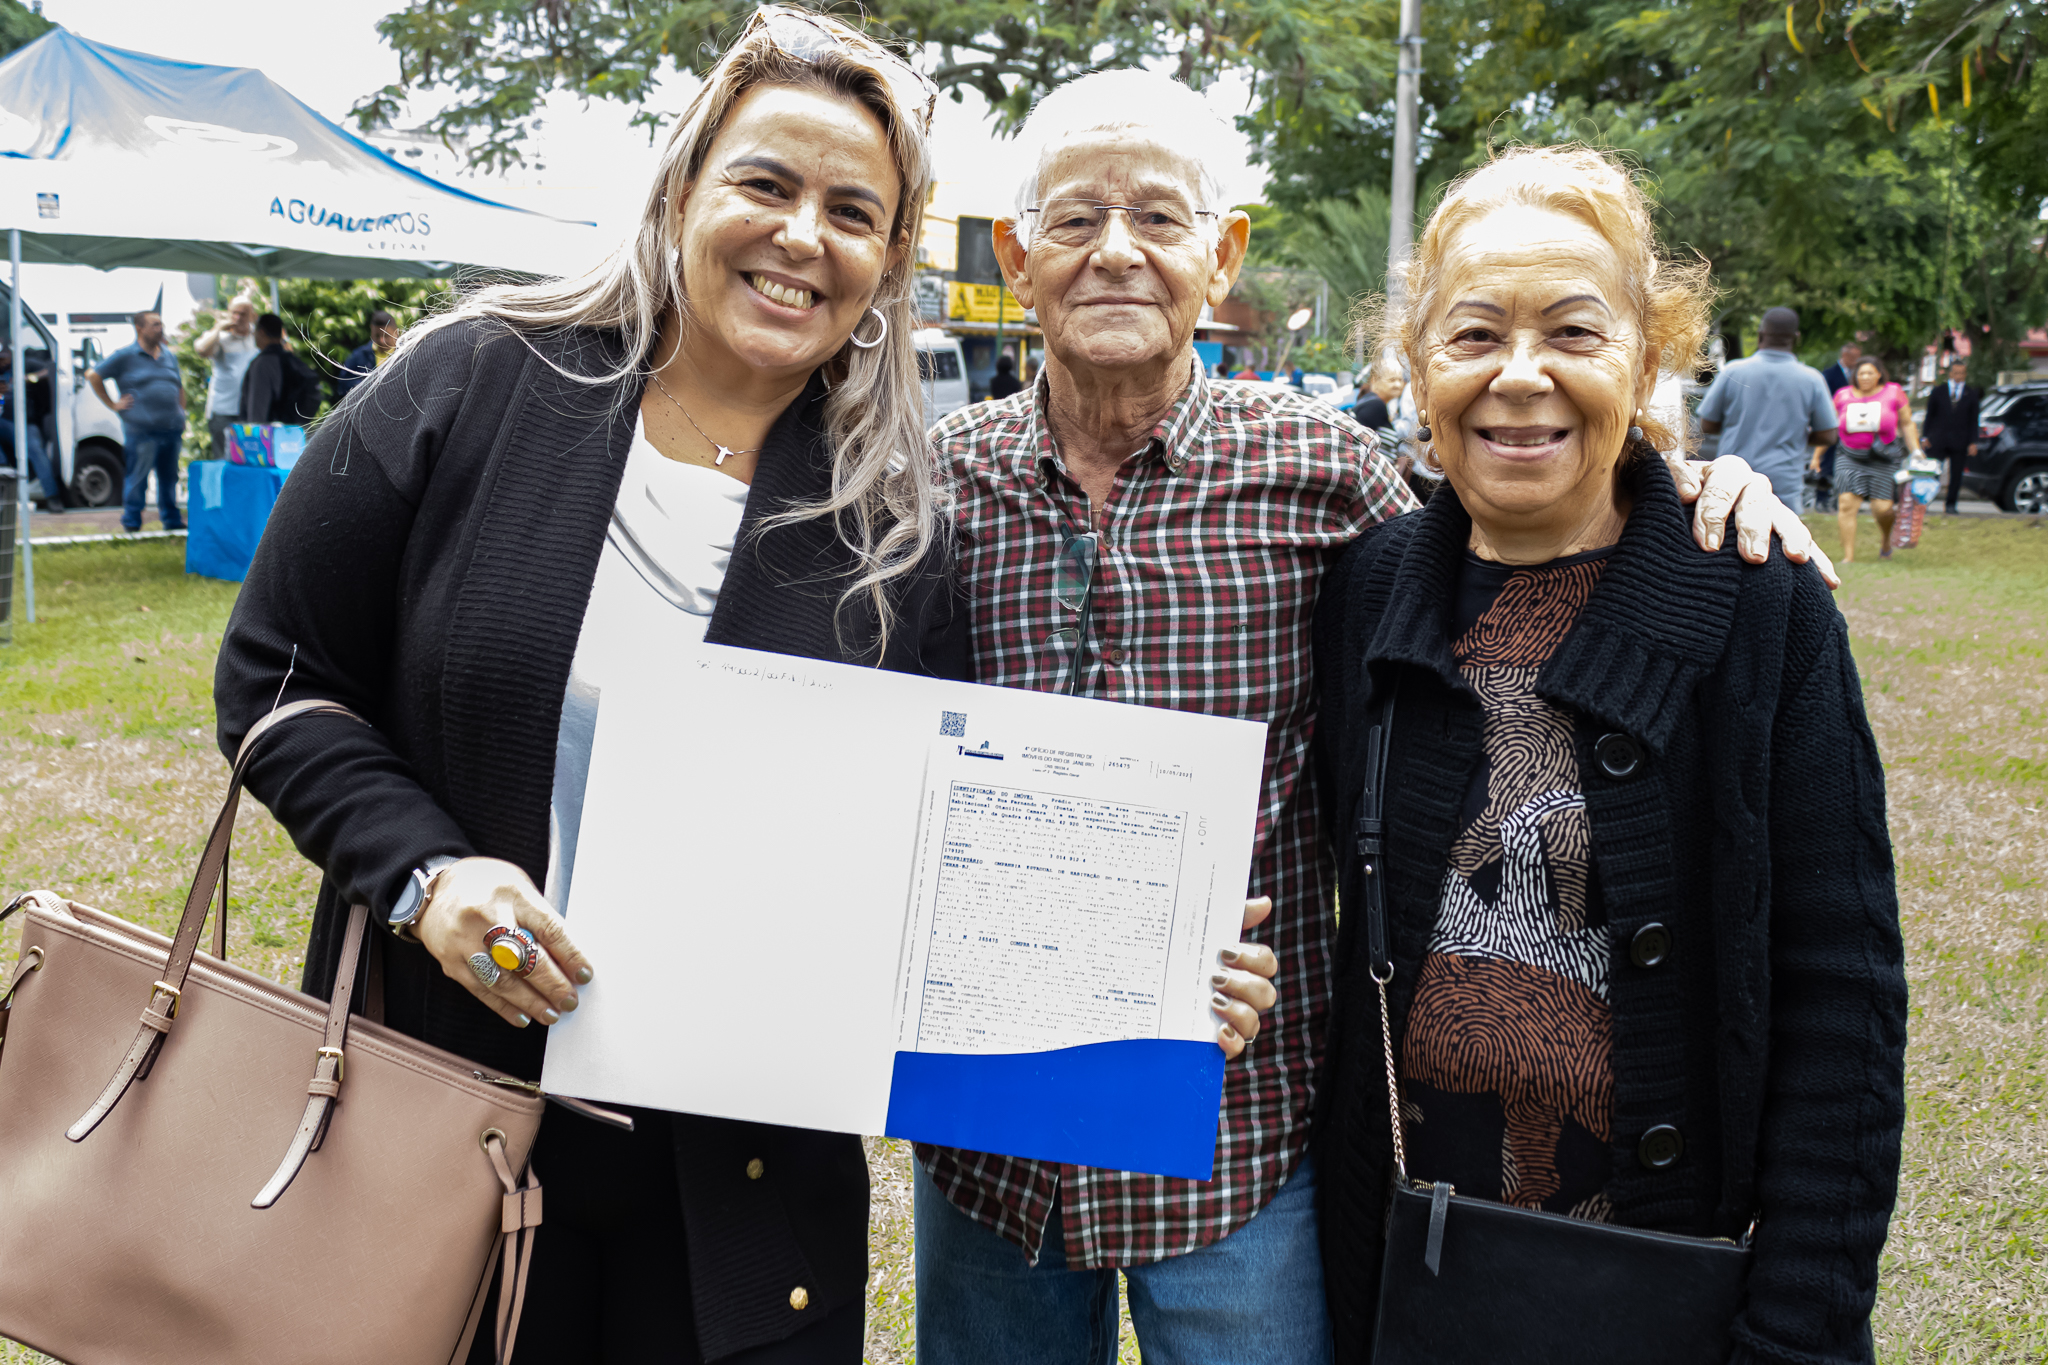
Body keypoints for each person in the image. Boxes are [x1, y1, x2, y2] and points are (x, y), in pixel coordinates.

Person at [212, 16, 1275, 1361]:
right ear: (681, 191)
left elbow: (937, 864)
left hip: (737, 1200)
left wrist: (1149, 984)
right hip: (442, 1118)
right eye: (765, 185)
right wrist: (427, 877)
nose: (801, 237)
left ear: (889, 259)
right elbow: (278, 680)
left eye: (853, 212)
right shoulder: (472, 381)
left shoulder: (897, 521)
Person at [917, 69, 1827, 1365]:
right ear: (1017, 258)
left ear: (1222, 254)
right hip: (992, 1142)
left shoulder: (1328, 477)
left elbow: (1525, 524)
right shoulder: (929, 487)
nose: (1116, 250)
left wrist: (1687, 492)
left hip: (1242, 1146)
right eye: (1074, 220)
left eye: (1159, 217)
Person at [1313, 143, 1905, 1365]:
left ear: (1643, 363)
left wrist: (1798, 1326)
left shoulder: (1757, 601)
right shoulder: (1362, 592)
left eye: (1573, 333)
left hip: (1665, 1287)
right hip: (1395, 1279)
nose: (1518, 375)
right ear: (1414, 367)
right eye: (1473, 335)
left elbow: (1840, 998)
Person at [1695, 306, 1838, 506]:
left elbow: (1707, 424)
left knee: (1727, 525)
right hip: (1783, 481)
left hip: (1733, 478)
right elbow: (1828, 435)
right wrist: (1796, 435)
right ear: (1796, 338)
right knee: (1780, 526)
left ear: (1761, 335)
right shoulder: (1812, 379)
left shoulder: (1733, 372)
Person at [88, 309, 186, 533]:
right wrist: (113, 404)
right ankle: (132, 522)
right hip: (142, 430)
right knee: (138, 477)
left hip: (171, 428)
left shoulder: (169, 355)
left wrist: (181, 413)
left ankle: (172, 520)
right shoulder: (125, 356)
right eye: (154, 325)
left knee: (169, 477)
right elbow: (93, 375)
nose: (160, 329)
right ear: (139, 328)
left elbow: (179, 386)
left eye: (161, 324)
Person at [1828, 356, 1918, 562]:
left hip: (1883, 457)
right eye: (1861, 373)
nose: (1865, 377)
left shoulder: (1893, 392)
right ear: (1855, 376)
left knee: (1882, 508)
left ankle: (1886, 540)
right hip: (1849, 456)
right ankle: (1848, 557)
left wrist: (1916, 451)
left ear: (1879, 374)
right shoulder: (1843, 395)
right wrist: (1817, 455)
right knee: (1846, 504)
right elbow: (1830, 426)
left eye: (1870, 373)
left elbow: (1907, 423)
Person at [193, 295, 260, 458]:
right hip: (223, 410)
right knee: (223, 458)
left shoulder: (258, 336)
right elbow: (201, 350)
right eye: (234, 313)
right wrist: (218, 328)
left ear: (252, 315)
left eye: (243, 314)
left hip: (250, 410)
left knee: (250, 457)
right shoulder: (220, 337)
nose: (238, 318)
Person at [0, 341, 64, 512]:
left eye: (3, 357)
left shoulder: (24, 363)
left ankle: (52, 496)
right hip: (3, 421)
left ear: (9, 353)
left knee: (36, 450)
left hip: (24, 421)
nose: (2, 361)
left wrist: (28, 378)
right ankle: (3, 474)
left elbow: (51, 370)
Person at [1922, 357, 1981, 515]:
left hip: (1960, 440)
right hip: (1937, 439)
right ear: (1950, 373)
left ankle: (1951, 504)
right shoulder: (1938, 392)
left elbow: (1974, 420)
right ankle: (1926, 501)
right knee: (1933, 471)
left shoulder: (1971, 394)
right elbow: (1929, 416)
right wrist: (1925, 437)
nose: (1958, 376)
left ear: (1965, 374)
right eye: (1955, 372)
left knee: (1956, 474)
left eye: (1961, 373)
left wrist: (1973, 442)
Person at [338, 308, 400, 398]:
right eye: (377, 336)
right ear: (371, 333)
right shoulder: (358, 356)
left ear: (396, 333)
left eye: (386, 336)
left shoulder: (405, 355)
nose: (381, 341)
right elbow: (344, 383)